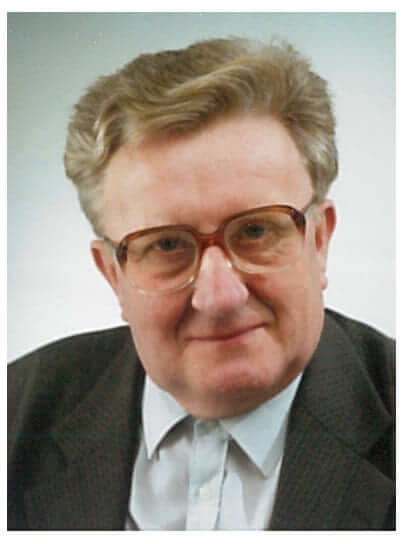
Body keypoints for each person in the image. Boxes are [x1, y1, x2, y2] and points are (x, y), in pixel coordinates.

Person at [8, 36, 395, 531]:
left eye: (256, 231)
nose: (219, 297)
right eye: (167, 245)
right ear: (113, 274)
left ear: (318, 241)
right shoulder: (14, 413)